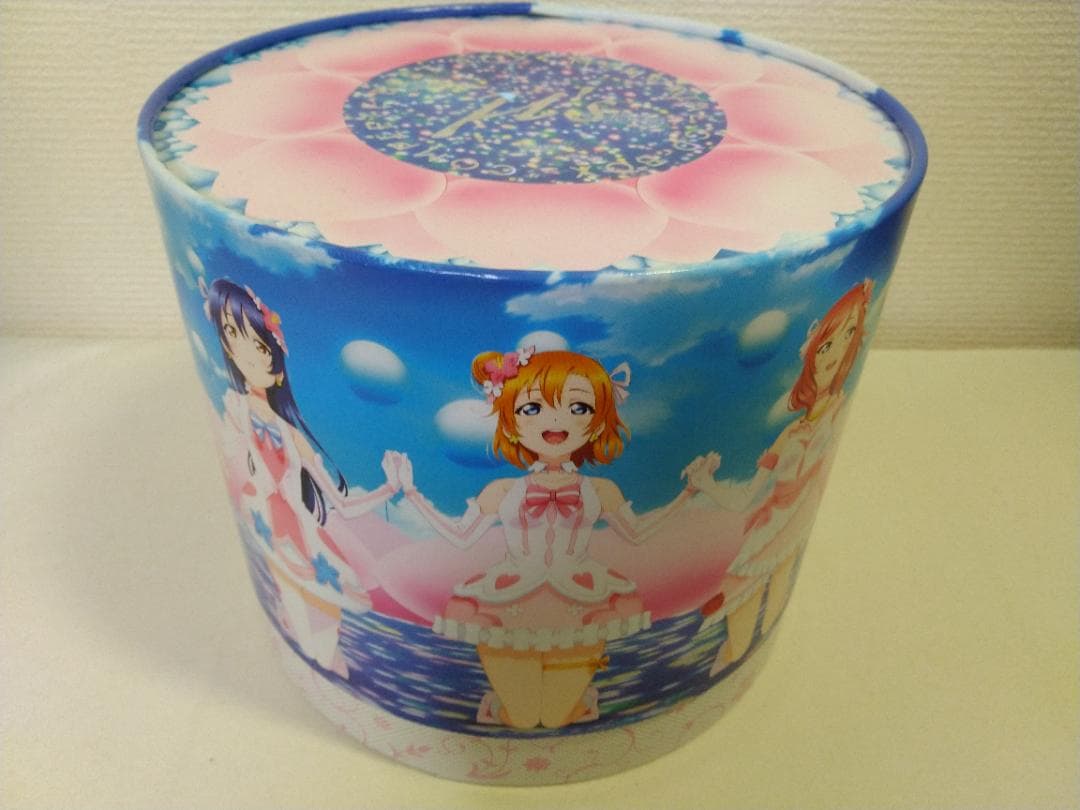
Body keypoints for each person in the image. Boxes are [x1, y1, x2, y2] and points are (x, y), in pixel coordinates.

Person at [388, 347, 710, 729]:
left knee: (555, 719)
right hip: (507, 600)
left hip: (583, 599)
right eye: (532, 408)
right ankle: (504, 706)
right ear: (510, 423)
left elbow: (638, 533)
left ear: (598, 422)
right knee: (523, 720)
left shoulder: (601, 490)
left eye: (579, 408)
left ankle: (580, 701)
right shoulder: (502, 490)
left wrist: (689, 493)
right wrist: (410, 492)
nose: (556, 420)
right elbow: (460, 536)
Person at [204, 278, 398, 677]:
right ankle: (312, 665)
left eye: (259, 347)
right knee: (299, 624)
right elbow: (237, 462)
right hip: (273, 531)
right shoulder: (237, 409)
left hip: (308, 545)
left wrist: (391, 488)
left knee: (324, 633)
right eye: (234, 337)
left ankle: (325, 670)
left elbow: (342, 503)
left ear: (277, 367)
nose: (248, 354)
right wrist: (255, 486)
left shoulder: (292, 437)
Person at [690, 280, 873, 675]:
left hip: (794, 525)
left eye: (849, 335)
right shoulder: (789, 435)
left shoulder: (835, 409)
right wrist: (705, 485)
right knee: (740, 633)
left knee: (772, 611)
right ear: (812, 354)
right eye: (826, 345)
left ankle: (747, 670)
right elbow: (746, 497)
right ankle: (726, 671)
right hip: (768, 532)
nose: (835, 352)